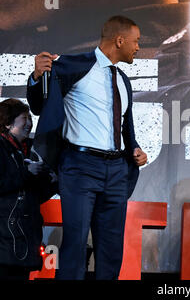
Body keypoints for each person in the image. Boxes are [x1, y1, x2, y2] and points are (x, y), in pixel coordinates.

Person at [26, 15, 148, 280]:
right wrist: (36, 76)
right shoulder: (73, 66)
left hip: (116, 170)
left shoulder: (123, 80)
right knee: (75, 244)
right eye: (136, 41)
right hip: (80, 167)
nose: (138, 47)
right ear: (119, 40)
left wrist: (135, 149)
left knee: (111, 248)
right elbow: (39, 105)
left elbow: (125, 125)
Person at [0, 98, 56, 280]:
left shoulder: (28, 151)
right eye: (24, 118)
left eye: (30, 118)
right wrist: (26, 172)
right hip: (5, 240)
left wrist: (52, 182)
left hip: (22, 239)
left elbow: (33, 196)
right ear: (7, 123)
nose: (30, 124)